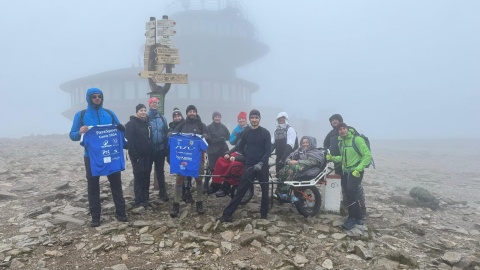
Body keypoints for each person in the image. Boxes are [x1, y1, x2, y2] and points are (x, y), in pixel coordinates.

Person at [69, 87, 127, 227]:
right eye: (94, 97)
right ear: (89, 98)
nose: (97, 99)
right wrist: (80, 131)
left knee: (116, 184)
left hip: (111, 155)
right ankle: (95, 217)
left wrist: (121, 129)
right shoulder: (81, 115)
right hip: (91, 157)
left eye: (99, 96)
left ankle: (121, 213)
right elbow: (72, 135)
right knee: (93, 186)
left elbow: (120, 130)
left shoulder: (109, 113)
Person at [217, 109, 271, 222]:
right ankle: (227, 215)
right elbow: (240, 146)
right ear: (250, 119)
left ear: (259, 119)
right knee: (241, 190)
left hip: (262, 166)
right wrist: (247, 157)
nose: (254, 120)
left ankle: (263, 215)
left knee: (265, 190)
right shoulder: (246, 132)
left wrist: (261, 163)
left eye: (256, 117)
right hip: (250, 165)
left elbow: (268, 151)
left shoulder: (265, 133)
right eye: (252, 118)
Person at [326, 122, 371, 230]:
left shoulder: (357, 140)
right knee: (349, 193)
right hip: (346, 172)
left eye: (343, 128)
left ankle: (352, 218)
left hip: (356, 171)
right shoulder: (342, 143)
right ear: (338, 132)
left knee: (350, 191)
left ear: (347, 129)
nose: (342, 131)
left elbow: (367, 155)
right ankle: (358, 217)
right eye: (340, 129)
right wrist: (332, 158)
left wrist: (358, 169)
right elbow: (343, 158)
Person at [171, 105, 209, 217]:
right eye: (190, 111)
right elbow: (174, 135)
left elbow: (209, 138)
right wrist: (170, 135)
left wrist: (205, 136)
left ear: (196, 113)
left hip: (198, 158)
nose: (192, 113)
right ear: (187, 113)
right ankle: (176, 204)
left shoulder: (202, 125)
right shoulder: (182, 124)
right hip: (184, 158)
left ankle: (199, 202)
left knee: (198, 179)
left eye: (193, 111)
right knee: (179, 179)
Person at [125, 104, 153, 209]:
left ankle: (146, 198)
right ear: (137, 112)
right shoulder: (132, 124)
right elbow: (130, 142)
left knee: (146, 175)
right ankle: (138, 200)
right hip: (137, 155)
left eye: (145, 110)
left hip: (147, 154)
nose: (143, 112)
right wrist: (135, 155)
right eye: (141, 110)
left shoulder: (146, 123)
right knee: (139, 176)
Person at [147, 97, 170, 202]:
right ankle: (145, 193)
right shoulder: (146, 116)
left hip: (160, 148)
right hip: (149, 149)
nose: (154, 104)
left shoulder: (162, 117)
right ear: (149, 104)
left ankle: (163, 191)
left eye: (156, 103)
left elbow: (166, 131)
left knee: (160, 171)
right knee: (146, 171)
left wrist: (166, 146)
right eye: (152, 103)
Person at [204, 111, 230, 192]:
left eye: (219, 117)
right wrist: (212, 140)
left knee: (223, 168)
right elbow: (205, 138)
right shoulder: (208, 127)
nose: (217, 118)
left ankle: (217, 185)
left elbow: (228, 136)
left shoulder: (223, 127)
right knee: (211, 168)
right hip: (212, 151)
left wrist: (223, 139)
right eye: (216, 117)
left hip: (223, 150)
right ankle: (206, 185)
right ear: (213, 118)